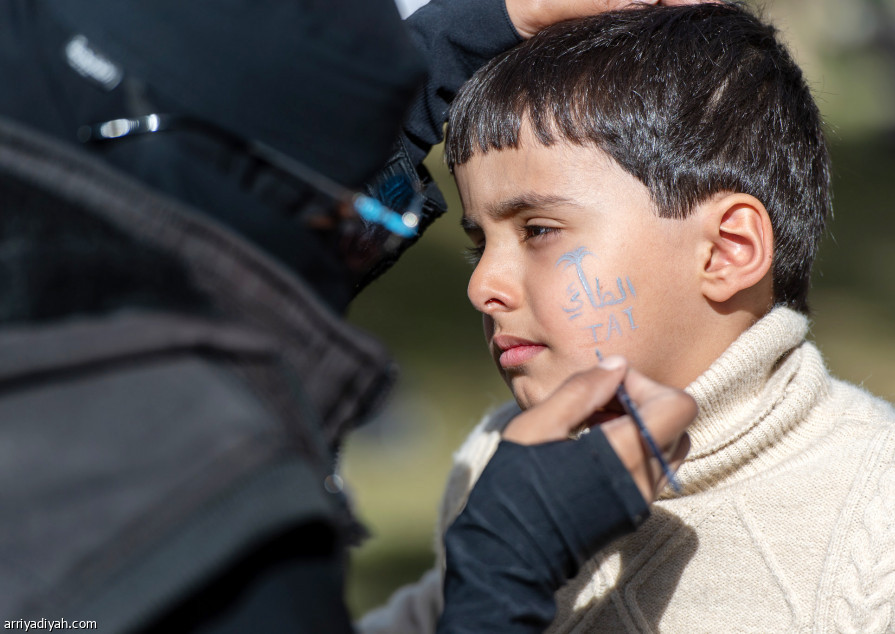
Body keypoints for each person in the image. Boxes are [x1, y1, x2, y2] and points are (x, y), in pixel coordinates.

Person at [0, 0, 699, 632]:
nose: (482, 285)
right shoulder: (199, 553)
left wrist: (468, 33)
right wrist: (500, 577)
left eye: (540, 229)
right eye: (342, 224)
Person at [359, 4, 895, 632]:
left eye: (538, 230)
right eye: (480, 242)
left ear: (728, 250)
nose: (481, 286)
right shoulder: (506, 469)